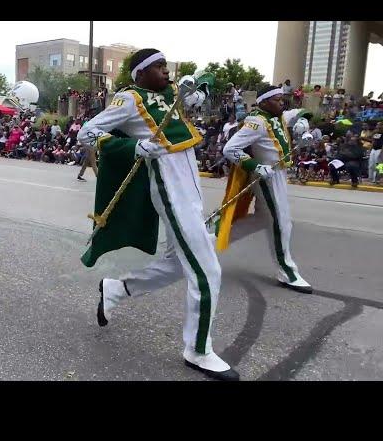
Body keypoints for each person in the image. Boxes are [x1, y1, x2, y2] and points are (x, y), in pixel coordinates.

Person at [78, 48, 238, 381]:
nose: (166, 72)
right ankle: (197, 349)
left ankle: (118, 288)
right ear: (140, 74)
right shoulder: (129, 99)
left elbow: (202, 87)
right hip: (168, 187)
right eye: (158, 67)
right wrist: (132, 147)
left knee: (181, 262)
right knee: (207, 270)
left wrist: (203, 86)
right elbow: (87, 132)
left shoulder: (174, 94)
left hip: (190, 188)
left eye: (167, 66)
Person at [218, 85, 314, 295]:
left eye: (282, 99)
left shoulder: (279, 116)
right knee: (281, 222)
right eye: (277, 99)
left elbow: (300, 112)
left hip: (279, 174)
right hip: (266, 176)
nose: (282, 102)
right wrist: (255, 166)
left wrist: (304, 122)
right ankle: (286, 270)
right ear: (263, 102)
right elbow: (230, 149)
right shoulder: (256, 122)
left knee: (264, 219)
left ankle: (212, 238)